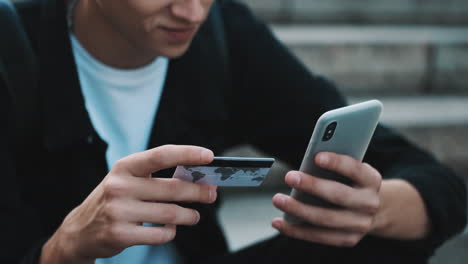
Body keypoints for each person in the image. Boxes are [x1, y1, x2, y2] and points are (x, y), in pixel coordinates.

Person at [1, 0, 466, 263]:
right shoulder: (13, 48)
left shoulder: (221, 36)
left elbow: (440, 185)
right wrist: (64, 248)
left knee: (374, 237)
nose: (191, 11)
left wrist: (373, 210)